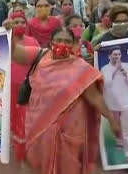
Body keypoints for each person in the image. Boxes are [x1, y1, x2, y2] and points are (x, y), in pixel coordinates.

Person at [11, 26, 120, 174]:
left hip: (71, 133)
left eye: (67, 41)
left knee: (70, 167)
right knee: (40, 165)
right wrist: (9, 34)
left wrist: (112, 119)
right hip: (40, 128)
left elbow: (95, 97)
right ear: (51, 43)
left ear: (74, 44)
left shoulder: (80, 68)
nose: (62, 44)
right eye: (58, 40)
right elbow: (16, 53)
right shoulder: (40, 56)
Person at [8, 11, 40, 163]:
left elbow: (39, 62)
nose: (19, 25)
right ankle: (17, 144)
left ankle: (30, 142)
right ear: (10, 25)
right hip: (10, 87)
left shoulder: (33, 41)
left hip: (30, 86)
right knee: (14, 114)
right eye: (16, 22)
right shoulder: (6, 41)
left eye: (22, 22)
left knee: (29, 115)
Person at [101, 46, 128, 163]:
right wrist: (115, 69)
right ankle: (119, 141)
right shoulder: (105, 68)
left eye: (119, 54)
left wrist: (126, 73)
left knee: (126, 128)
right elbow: (107, 84)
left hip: (126, 101)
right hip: (112, 102)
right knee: (116, 125)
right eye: (114, 54)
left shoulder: (127, 66)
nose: (117, 56)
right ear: (109, 56)